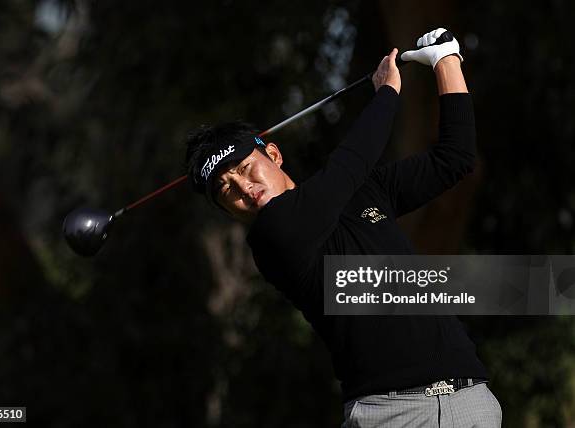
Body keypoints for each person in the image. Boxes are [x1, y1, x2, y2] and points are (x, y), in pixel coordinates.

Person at [185, 28, 502, 427]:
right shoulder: (274, 237)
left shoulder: (363, 193)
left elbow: (454, 158)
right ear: (229, 211)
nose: (245, 189)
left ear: (275, 154)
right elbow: (350, 162)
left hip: (470, 400)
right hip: (390, 413)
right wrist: (387, 91)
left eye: (246, 169)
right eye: (227, 190)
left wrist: (446, 61)